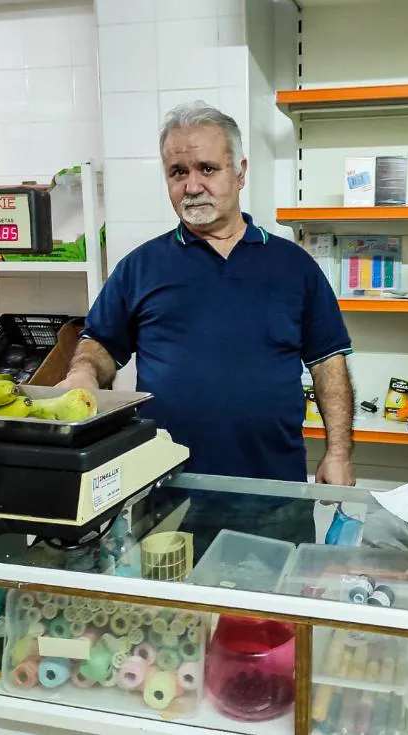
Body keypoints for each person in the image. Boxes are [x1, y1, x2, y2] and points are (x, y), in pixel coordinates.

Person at [58, 102, 355, 547]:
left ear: (239, 172)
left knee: (271, 616)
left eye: (207, 168)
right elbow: (101, 342)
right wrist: (83, 371)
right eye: (177, 172)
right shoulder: (141, 267)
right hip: (166, 492)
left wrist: (338, 452)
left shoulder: (293, 266)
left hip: (273, 493)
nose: (192, 185)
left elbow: (328, 361)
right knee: (171, 616)